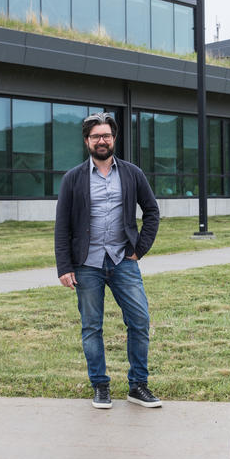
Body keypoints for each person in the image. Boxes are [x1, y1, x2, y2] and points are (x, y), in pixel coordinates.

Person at [54, 112, 162, 410]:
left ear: (113, 139)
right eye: (96, 137)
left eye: (106, 135)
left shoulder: (132, 173)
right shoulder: (73, 178)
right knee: (91, 327)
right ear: (87, 141)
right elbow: (62, 225)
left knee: (139, 320)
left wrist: (140, 248)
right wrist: (64, 267)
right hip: (86, 264)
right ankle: (100, 386)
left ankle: (138, 385)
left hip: (123, 261)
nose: (102, 141)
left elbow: (152, 212)